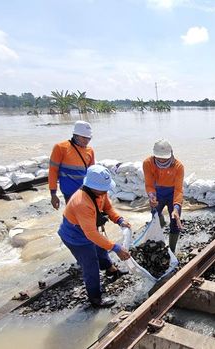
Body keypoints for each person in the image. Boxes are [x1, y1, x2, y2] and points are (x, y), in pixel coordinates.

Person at [57, 165, 132, 308]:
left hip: (88, 230)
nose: (106, 191)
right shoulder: (82, 202)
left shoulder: (100, 193)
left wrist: (119, 220)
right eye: (103, 188)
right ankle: (95, 299)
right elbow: (91, 234)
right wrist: (116, 247)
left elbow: (108, 208)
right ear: (91, 186)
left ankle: (111, 271)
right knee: (90, 266)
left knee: (100, 250)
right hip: (75, 236)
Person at [143, 139, 185, 252]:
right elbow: (149, 184)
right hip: (157, 193)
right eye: (159, 158)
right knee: (155, 218)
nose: (161, 161)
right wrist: (151, 195)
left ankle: (172, 250)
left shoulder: (178, 166)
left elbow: (178, 190)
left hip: (173, 194)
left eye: (164, 158)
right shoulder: (148, 163)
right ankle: (160, 225)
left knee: (175, 222)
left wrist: (176, 208)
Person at [49, 121, 95, 209]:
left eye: (89, 138)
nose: (87, 141)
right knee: (74, 217)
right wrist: (53, 194)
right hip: (69, 192)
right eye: (84, 137)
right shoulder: (60, 148)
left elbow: (92, 173)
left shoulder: (90, 151)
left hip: (85, 192)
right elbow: (53, 171)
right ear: (76, 135)